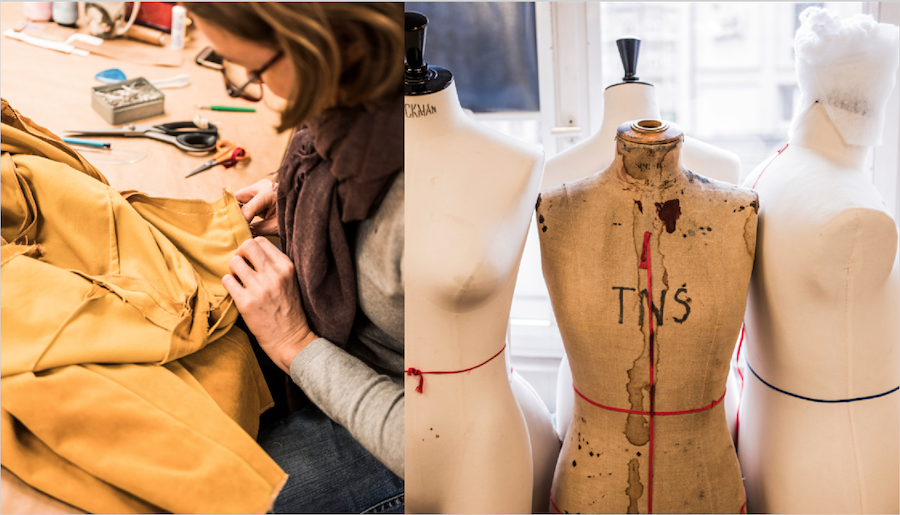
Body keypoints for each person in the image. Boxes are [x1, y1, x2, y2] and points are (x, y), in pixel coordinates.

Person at [185, 3, 404, 513]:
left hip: (401, 424)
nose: (260, 94)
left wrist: (291, 342)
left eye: (252, 72)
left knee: (194, 499)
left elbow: (439, 443)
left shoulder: (418, 216)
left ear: (321, 44)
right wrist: (295, 194)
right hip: (348, 352)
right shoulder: (361, 100)